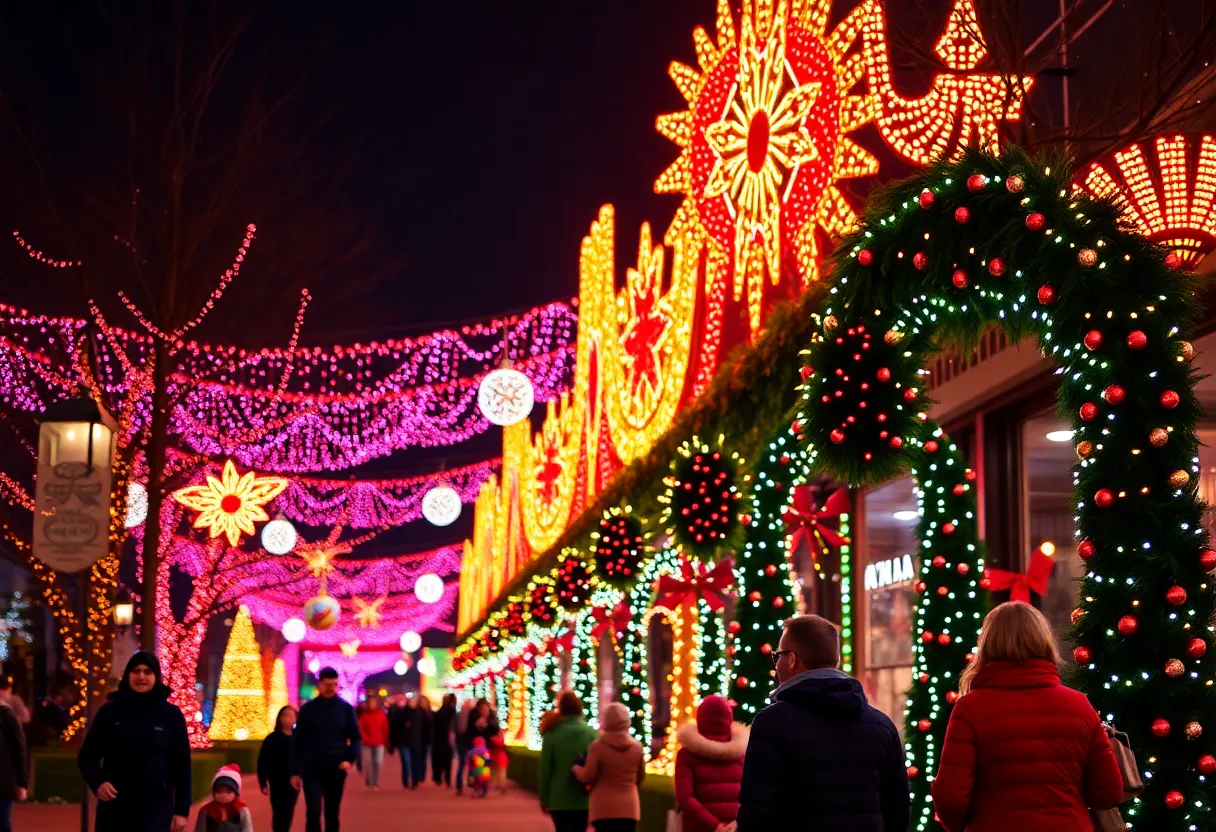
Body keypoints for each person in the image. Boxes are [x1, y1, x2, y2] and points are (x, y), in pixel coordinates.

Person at [931, 602, 1124, 832]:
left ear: (987, 644)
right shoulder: (1079, 705)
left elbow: (950, 797)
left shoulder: (970, 708)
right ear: (1044, 641)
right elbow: (1108, 792)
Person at [736, 615, 909, 832]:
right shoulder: (882, 726)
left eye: (777, 656)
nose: (776, 663)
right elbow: (898, 812)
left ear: (792, 659)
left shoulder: (771, 723)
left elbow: (755, 813)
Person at [77, 652, 192, 832]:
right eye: (136, 671)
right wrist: (98, 783)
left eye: (147, 672)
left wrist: (182, 811)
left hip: (156, 809)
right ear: (127, 675)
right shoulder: (109, 712)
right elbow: (87, 757)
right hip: (115, 809)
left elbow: (182, 766)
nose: (141, 676)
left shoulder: (171, 715)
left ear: (156, 676)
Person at [290, 667, 361, 832]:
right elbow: (297, 741)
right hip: (311, 768)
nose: (331, 688)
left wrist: (349, 759)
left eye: (334, 685)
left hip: (336, 767)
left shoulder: (345, 709)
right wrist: (294, 771)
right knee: (313, 810)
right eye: (327, 685)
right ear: (320, 685)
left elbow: (356, 737)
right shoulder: (307, 710)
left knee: (332, 811)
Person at [674, 695, 749, 832]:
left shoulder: (687, 754)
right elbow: (752, 794)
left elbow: (685, 797)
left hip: (699, 827)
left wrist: (715, 826)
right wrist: (737, 822)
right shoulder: (741, 754)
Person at [572, 702, 645, 832]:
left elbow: (588, 776)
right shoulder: (637, 747)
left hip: (603, 808)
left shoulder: (597, 747)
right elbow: (640, 778)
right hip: (630, 808)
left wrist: (576, 768)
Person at [538, 691, 597, 832]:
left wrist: (544, 797)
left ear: (560, 709)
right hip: (583, 797)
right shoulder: (590, 733)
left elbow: (545, 768)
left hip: (559, 798)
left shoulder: (551, 734)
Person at [257, 706, 299, 832]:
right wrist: (262, 782)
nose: (287, 718)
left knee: (288, 811)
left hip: (293, 781)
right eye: (284, 715)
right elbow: (262, 761)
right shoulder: (271, 738)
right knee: (278, 810)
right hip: (276, 781)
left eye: (290, 715)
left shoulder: (299, 738)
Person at [0, 681, 28, 832]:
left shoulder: (7, 715)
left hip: (3, 782)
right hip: (4, 781)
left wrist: (22, 782)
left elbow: (19, 749)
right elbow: (19, 749)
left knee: (3, 819)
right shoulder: (8, 715)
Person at [194, 764, 253, 832]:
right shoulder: (206, 811)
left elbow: (248, 829)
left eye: (228, 792)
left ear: (236, 793)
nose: (224, 795)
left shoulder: (242, 810)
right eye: (219, 791)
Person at [357, 696, 389, 791]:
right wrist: (364, 737)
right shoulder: (364, 716)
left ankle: (376, 782)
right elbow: (360, 728)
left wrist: (385, 741)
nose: (372, 705)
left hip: (379, 743)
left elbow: (385, 728)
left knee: (377, 763)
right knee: (367, 763)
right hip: (367, 743)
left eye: (373, 703)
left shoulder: (381, 715)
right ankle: (368, 780)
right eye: (370, 703)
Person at [387, 695, 415, 789]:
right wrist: (392, 744)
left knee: (412, 762)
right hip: (403, 741)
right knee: (406, 762)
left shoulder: (416, 713)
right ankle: (406, 781)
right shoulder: (398, 714)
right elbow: (393, 729)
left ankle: (413, 780)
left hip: (413, 741)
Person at [406, 696, 432, 788]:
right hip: (419, 740)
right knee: (418, 760)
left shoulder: (421, 713)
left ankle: (418, 777)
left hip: (420, 740)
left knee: (418, 760)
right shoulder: (420, 713)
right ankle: (418, 777)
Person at [431, 694, 456, 787]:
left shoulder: (439, 712)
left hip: (438, 739)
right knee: (448, 760)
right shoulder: (452, 712)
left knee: (438, 759)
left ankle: (438, 777)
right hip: (448, 739)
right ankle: (447, 778)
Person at [453, 698, 475, 796]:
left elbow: (455, 729)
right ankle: (470, 783)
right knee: (471, 763)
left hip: (462, 741)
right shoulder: (472, 715)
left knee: (462, 764)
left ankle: (460, 786)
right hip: (469, 742)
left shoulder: (458, 715)